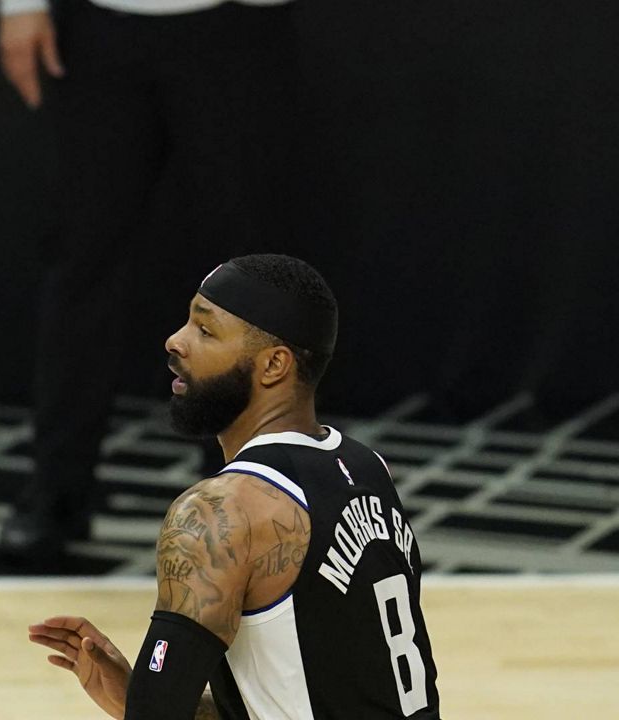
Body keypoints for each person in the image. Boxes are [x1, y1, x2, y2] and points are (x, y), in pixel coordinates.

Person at [28, 255, 441, 718]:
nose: (175, 341)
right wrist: (134, 695)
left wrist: (147, 701)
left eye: (205, 331)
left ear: (273, 365)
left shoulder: (221, 511)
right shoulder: (369, 469)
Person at [0, 0, 306, 557]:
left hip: (233, 24)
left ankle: (242, 489)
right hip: (100, 23)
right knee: (81, 260)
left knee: (245, 275)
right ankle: (57, 489)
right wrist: (21, 6)